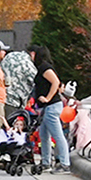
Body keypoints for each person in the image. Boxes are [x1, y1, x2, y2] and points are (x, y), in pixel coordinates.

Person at [28, 44, 69, 173]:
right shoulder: (41, 68)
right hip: (46, 108)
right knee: (43, 135)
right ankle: (46, 162)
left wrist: (47, 97)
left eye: (32, 53)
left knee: (57, 135)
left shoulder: (45, 68)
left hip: (51, 106)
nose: (30, 56)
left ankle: (64, 163)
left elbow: (55, 82)